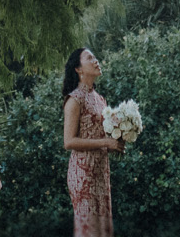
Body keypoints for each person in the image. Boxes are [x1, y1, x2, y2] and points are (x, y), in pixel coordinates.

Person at [61, 47, 121, 237]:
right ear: (78, 69)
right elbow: (69, 141)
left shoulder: (100, 99)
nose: (96, 60)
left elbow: (101, 136)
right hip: (83, 174)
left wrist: (116, 143)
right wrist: (105, 142)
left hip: (101, 173)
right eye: (90, 58)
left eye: (96, 57)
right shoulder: (74, 99)